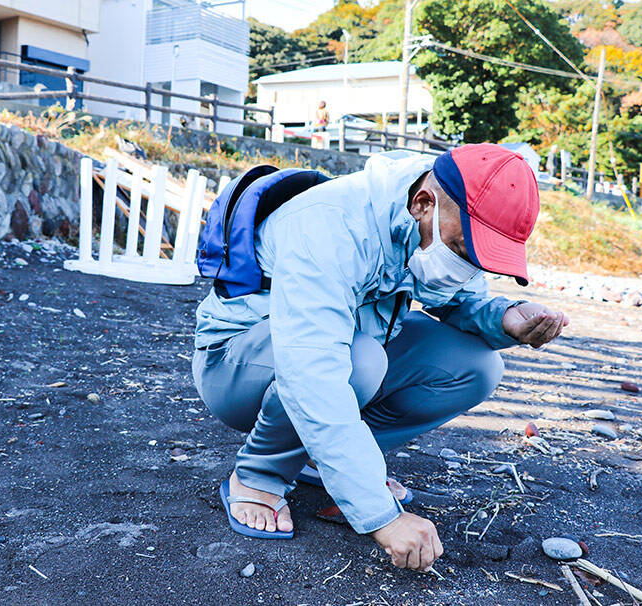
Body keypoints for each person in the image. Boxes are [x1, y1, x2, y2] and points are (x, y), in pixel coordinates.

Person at [191, 145, 569, 572]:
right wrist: (380, 515)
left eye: (481, 260)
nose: (470, 267)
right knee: (361, 361)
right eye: (466, 251)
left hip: (343, 353)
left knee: (477, 367)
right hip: (234, 364)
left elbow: (458, 299)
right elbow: (312, 372)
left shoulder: (433, 216)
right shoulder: (331, 225)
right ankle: (259, 475)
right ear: (422, 204)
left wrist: (506, 319)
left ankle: (324, 462)